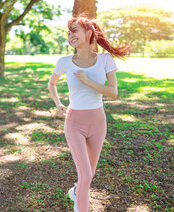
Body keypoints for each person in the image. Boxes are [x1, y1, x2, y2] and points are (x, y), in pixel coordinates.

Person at [48, 14, 131, 212]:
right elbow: (52, 83)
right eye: (68, 32)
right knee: (85, 175)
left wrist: (88, 82)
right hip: (74, 122)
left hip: (98, 123)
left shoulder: (105, 60)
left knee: (89, 175)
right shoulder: (64, 61)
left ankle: (77, 192)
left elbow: (113, 92)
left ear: (88, 32)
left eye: (74, 30)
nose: (70, 35)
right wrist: (58, 103)